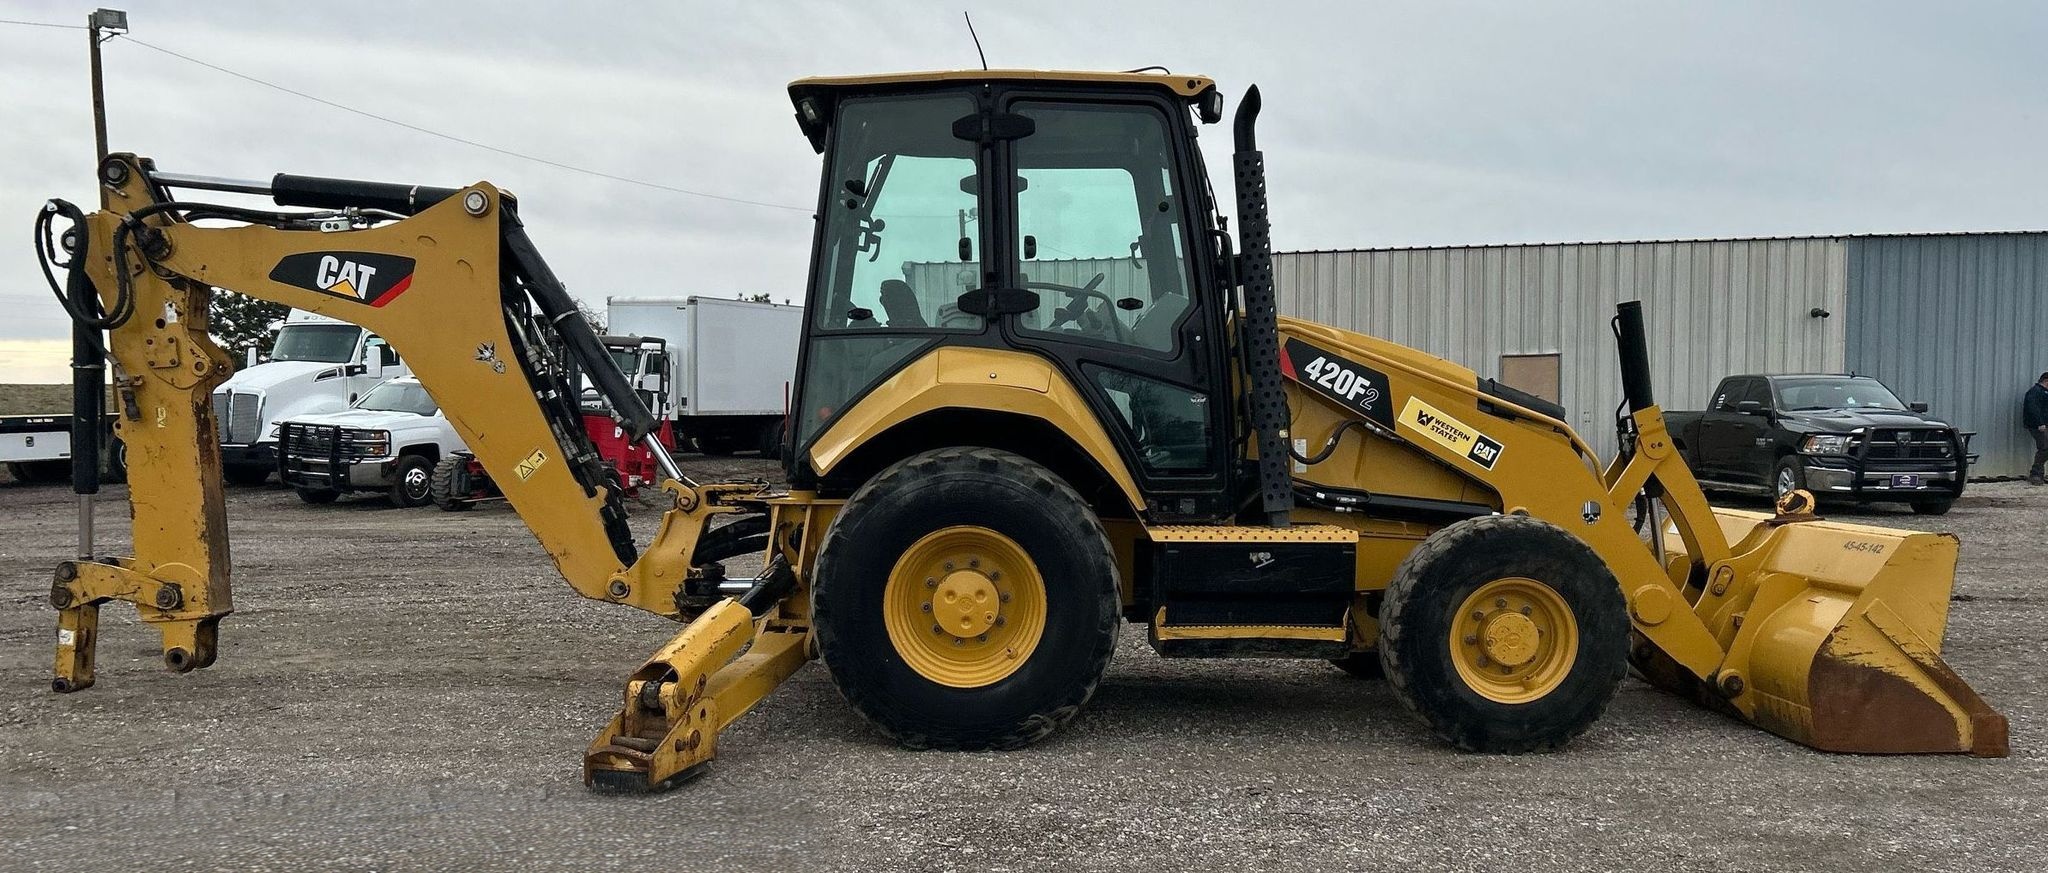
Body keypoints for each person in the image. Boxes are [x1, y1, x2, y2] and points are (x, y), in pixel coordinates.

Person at [2026, 372, 2048, 486]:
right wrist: (2039, 423)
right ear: (2046, 380)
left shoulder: (2043, 392)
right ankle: (2035, 474)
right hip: (2038, 426)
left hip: (2043, 425)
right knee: (2044, 448)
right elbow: (2032, 408)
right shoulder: (2035, 392)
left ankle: (2040, 474)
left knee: (2045, 448)